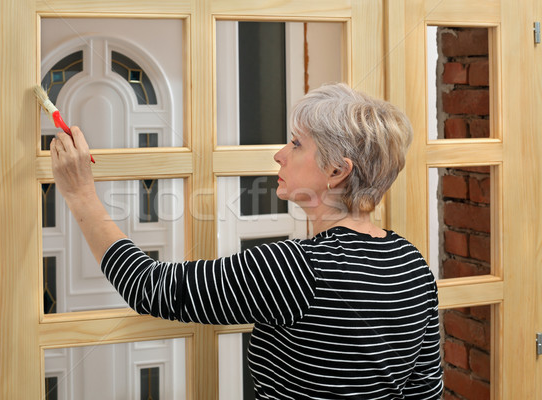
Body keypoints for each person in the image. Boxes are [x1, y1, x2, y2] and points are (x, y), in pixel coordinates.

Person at [50, 83, 443, 399]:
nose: (279, 155)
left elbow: (149, 287)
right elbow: (425, 392)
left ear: (337, 170)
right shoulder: (412, 264)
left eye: (296, 144)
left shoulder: (298, 269)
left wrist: (80, 194)